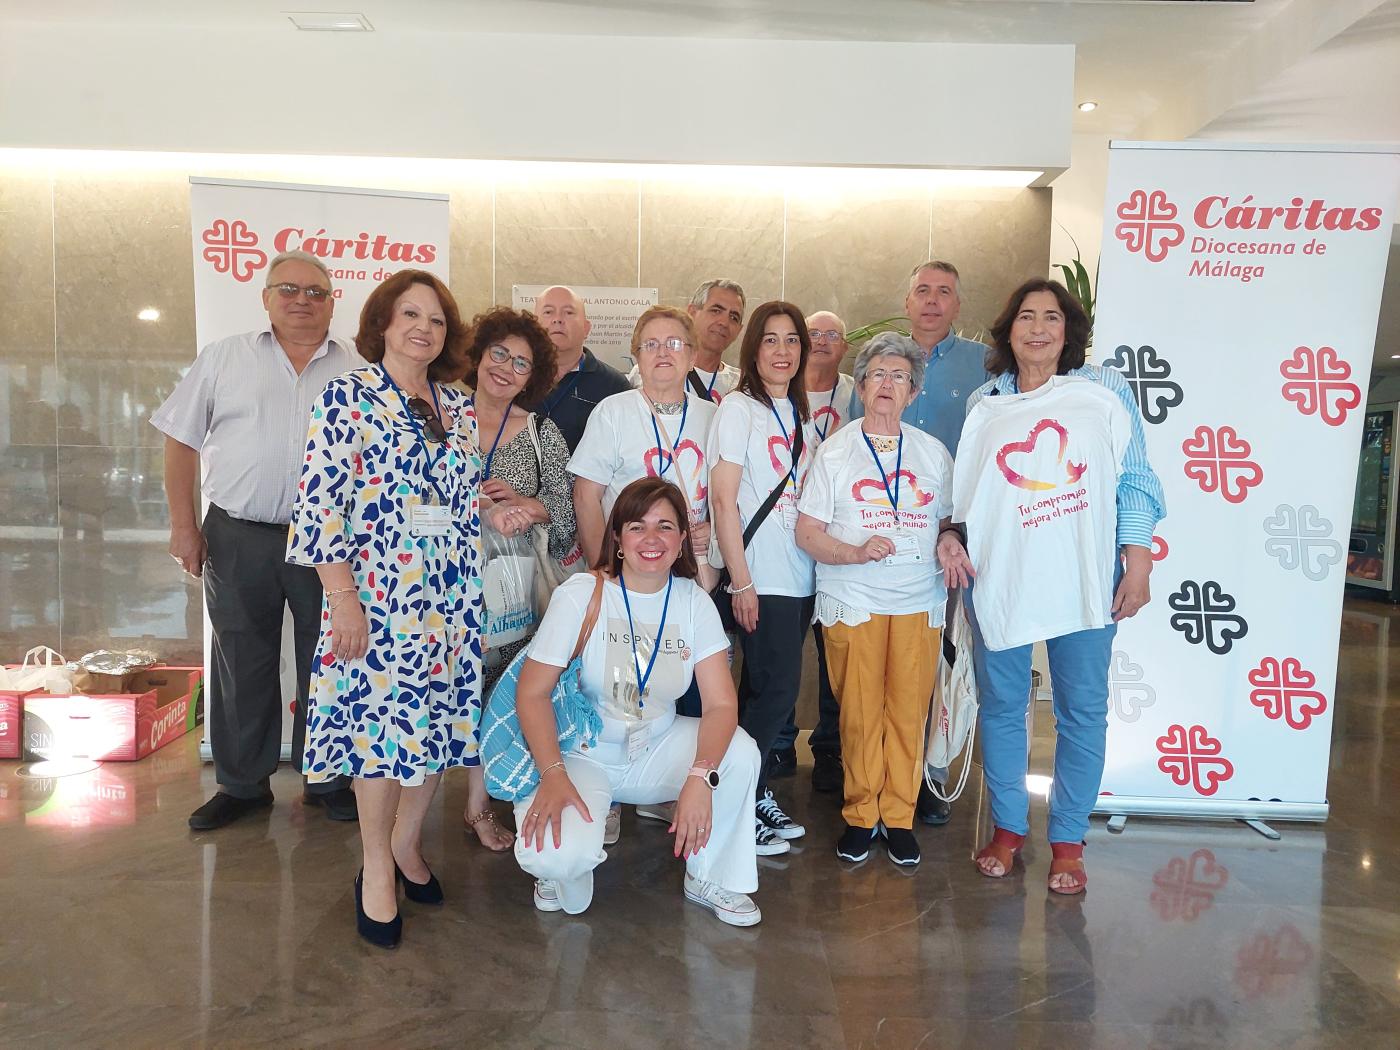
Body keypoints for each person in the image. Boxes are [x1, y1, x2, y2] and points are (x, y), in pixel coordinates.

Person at [287, 269, 491, 948]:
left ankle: (407, 845)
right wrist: (342, 599)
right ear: (381, 323)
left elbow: (454, 496)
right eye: (409, 315)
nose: (423, 329)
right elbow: (319, 509)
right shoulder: (347, 396)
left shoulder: (458, 406)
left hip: (451, 600)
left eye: (435, 319)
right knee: (381, 739)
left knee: (432, 730)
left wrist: (499, 505)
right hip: (377, 601)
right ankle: (376, 868)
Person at [941, 278, 1165, 894]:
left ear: (1069, 333)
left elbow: (1135, 479)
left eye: (1053, 319)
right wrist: (954, 537)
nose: (1039, 329)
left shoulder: (1104, 390)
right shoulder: (984, 403)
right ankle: (1010, 828)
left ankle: (1068, 839)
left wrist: (1138, 562)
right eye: (1027, 317)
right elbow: (969, 495)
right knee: (1004, 708)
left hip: (1086, 581)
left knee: (1082, 714)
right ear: (1008, 330)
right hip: (1003, 582)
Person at [151, 249, 357, 831]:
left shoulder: (357, 368)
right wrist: (184, 524)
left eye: (316, 291)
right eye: (287, 288)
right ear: (266, 297)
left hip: (332, 546)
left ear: (331, 302)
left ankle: (329, 778)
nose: (301, 300)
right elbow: (179, 440)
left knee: (332, 660)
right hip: (239, 533)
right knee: (243, 658)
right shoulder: (224, 358)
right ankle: (243, 785)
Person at [512, 478, 763, 925]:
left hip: (656, 748)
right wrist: (551, 773)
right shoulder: (580, 595)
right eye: (637, 526)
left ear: (683, 538)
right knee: (556, 858)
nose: (652, 539)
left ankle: (710, 874)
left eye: (665, 527)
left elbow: (722, 705)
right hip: (581, 753)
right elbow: (532, 693)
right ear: (618, 538)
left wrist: (701, 777)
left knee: (739, 752)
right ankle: (563, 867)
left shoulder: (693, 602)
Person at [796, 332, 956, 867]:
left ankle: (901, 816)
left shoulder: (934, 453)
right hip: (855, 596)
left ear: (913, 393)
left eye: (900, 377)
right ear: (860, 386)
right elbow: (808, 532)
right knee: (860, 713)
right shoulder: (835, 452)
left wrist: (951, 541)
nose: (888, 384)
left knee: (909, 711)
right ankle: (862, 815)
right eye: (877, 375)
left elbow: (951, 525)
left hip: (918, 597)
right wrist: (854, 552)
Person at [851, 260, 988, 826]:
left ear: (957, 305)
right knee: (867, 667)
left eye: (945, 293)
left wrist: (953, 534)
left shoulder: (984, 365)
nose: (932, 301)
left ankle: (925, 775)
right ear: (907, 302)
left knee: (936, 661)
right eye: (922, 291)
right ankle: (858, 774)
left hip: (953, 536)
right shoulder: (878, 364)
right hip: (877, 541)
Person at [460, 305, 575, 850]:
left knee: (500, 691)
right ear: (478, 355)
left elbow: (568, 513)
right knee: (447, 690)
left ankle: (481, 808)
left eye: (522, 363)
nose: (506, 368)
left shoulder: (541, 435)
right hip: (442, 584)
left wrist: (527, 505)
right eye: (499, 353)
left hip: (512, 591)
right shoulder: (438, 417)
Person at [709, 301, 818, 857]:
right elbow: (723, 501)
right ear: (753, 349)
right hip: (761, 577)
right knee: (774, 693)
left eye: (792, 340)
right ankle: (732, 797)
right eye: (771, 340)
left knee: (763, 691)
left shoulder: (798, 414)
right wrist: (742, 582)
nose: (782, 351)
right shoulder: (738, 409)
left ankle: (748, 793)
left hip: (799, 577)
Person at [770, 310, 855, 790]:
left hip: (840, 538)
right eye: (813, 333)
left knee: (834, 651)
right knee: (780, 652)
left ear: (845, 347)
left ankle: (829, 748)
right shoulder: (776, 392)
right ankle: (779, 744)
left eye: (832, 335)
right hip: (783, 540)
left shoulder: (855, 394)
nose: (821, 341)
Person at [528, 286, 631, 452]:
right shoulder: (517, 377)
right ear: (534, 325)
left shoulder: (614, 386)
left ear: (586, 328)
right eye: (548, 312)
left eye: (568, 312)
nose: (557, 319)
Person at [628, 279, 745, 402]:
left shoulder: (741, 385)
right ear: (692, 312)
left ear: (739, 329)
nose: (724, 322)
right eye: (716, 311)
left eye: (734, 317)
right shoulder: (651, 370)